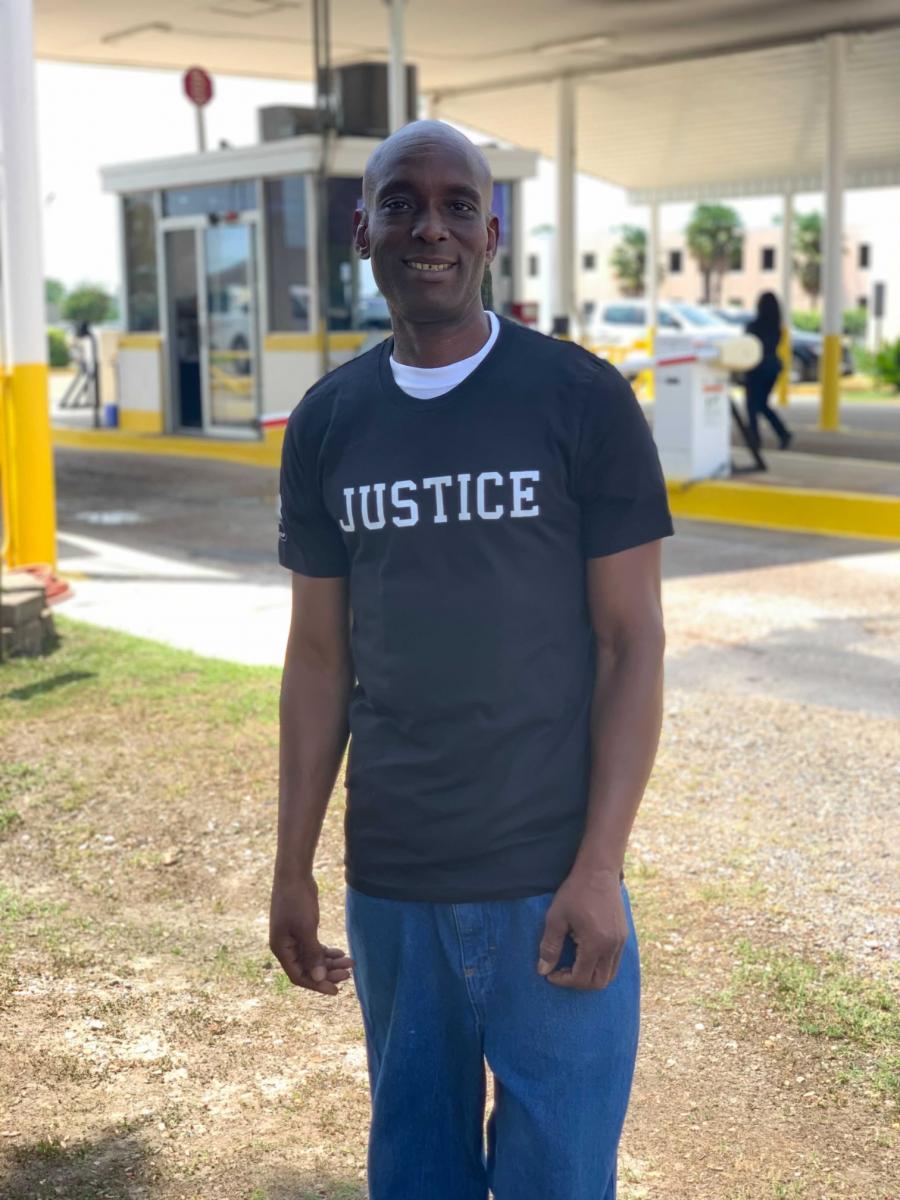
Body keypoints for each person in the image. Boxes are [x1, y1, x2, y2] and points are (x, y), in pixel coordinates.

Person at [269, 120, 674, 1200]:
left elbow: (632, 642)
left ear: (492, 230)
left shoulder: (580, 400)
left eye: (457, 203)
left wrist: (600, 868)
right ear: (363, 228)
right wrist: (291, 864)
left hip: (549, 882)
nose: (429, 226)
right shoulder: (328, 424)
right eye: (401, 201)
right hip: (394, 886)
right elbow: (317, 659)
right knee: (416, 1176)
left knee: (559, 1183)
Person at [743, 290, 793, 451]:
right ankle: (782, 433)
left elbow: (747, 348)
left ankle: (755, 440)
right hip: (773, 368)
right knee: (763, 405)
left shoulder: (753, 327)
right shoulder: (777, 329)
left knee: (752, 406)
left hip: (756, 369)